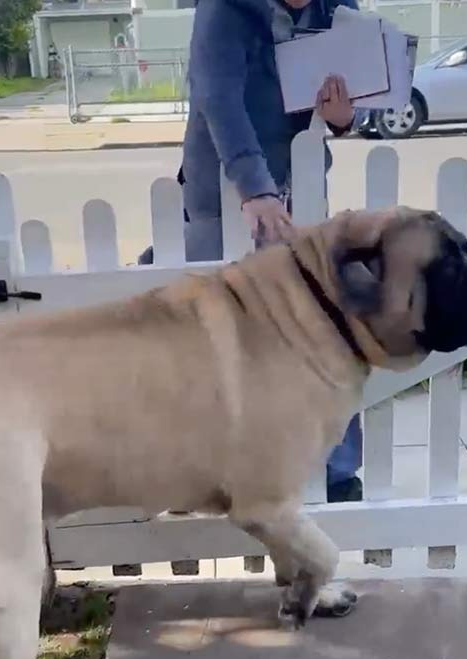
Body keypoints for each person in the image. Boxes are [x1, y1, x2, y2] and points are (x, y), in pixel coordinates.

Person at [151, 0, 366, 501]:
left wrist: (344, 117)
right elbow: (217, 96)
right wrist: (253, 187)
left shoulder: (340, 7)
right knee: (219, 334)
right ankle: (219, 475)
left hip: (302, 184)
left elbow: (358, 86)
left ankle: (337, 475)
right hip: (225, 193)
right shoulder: (223, 9)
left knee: (324, 326)